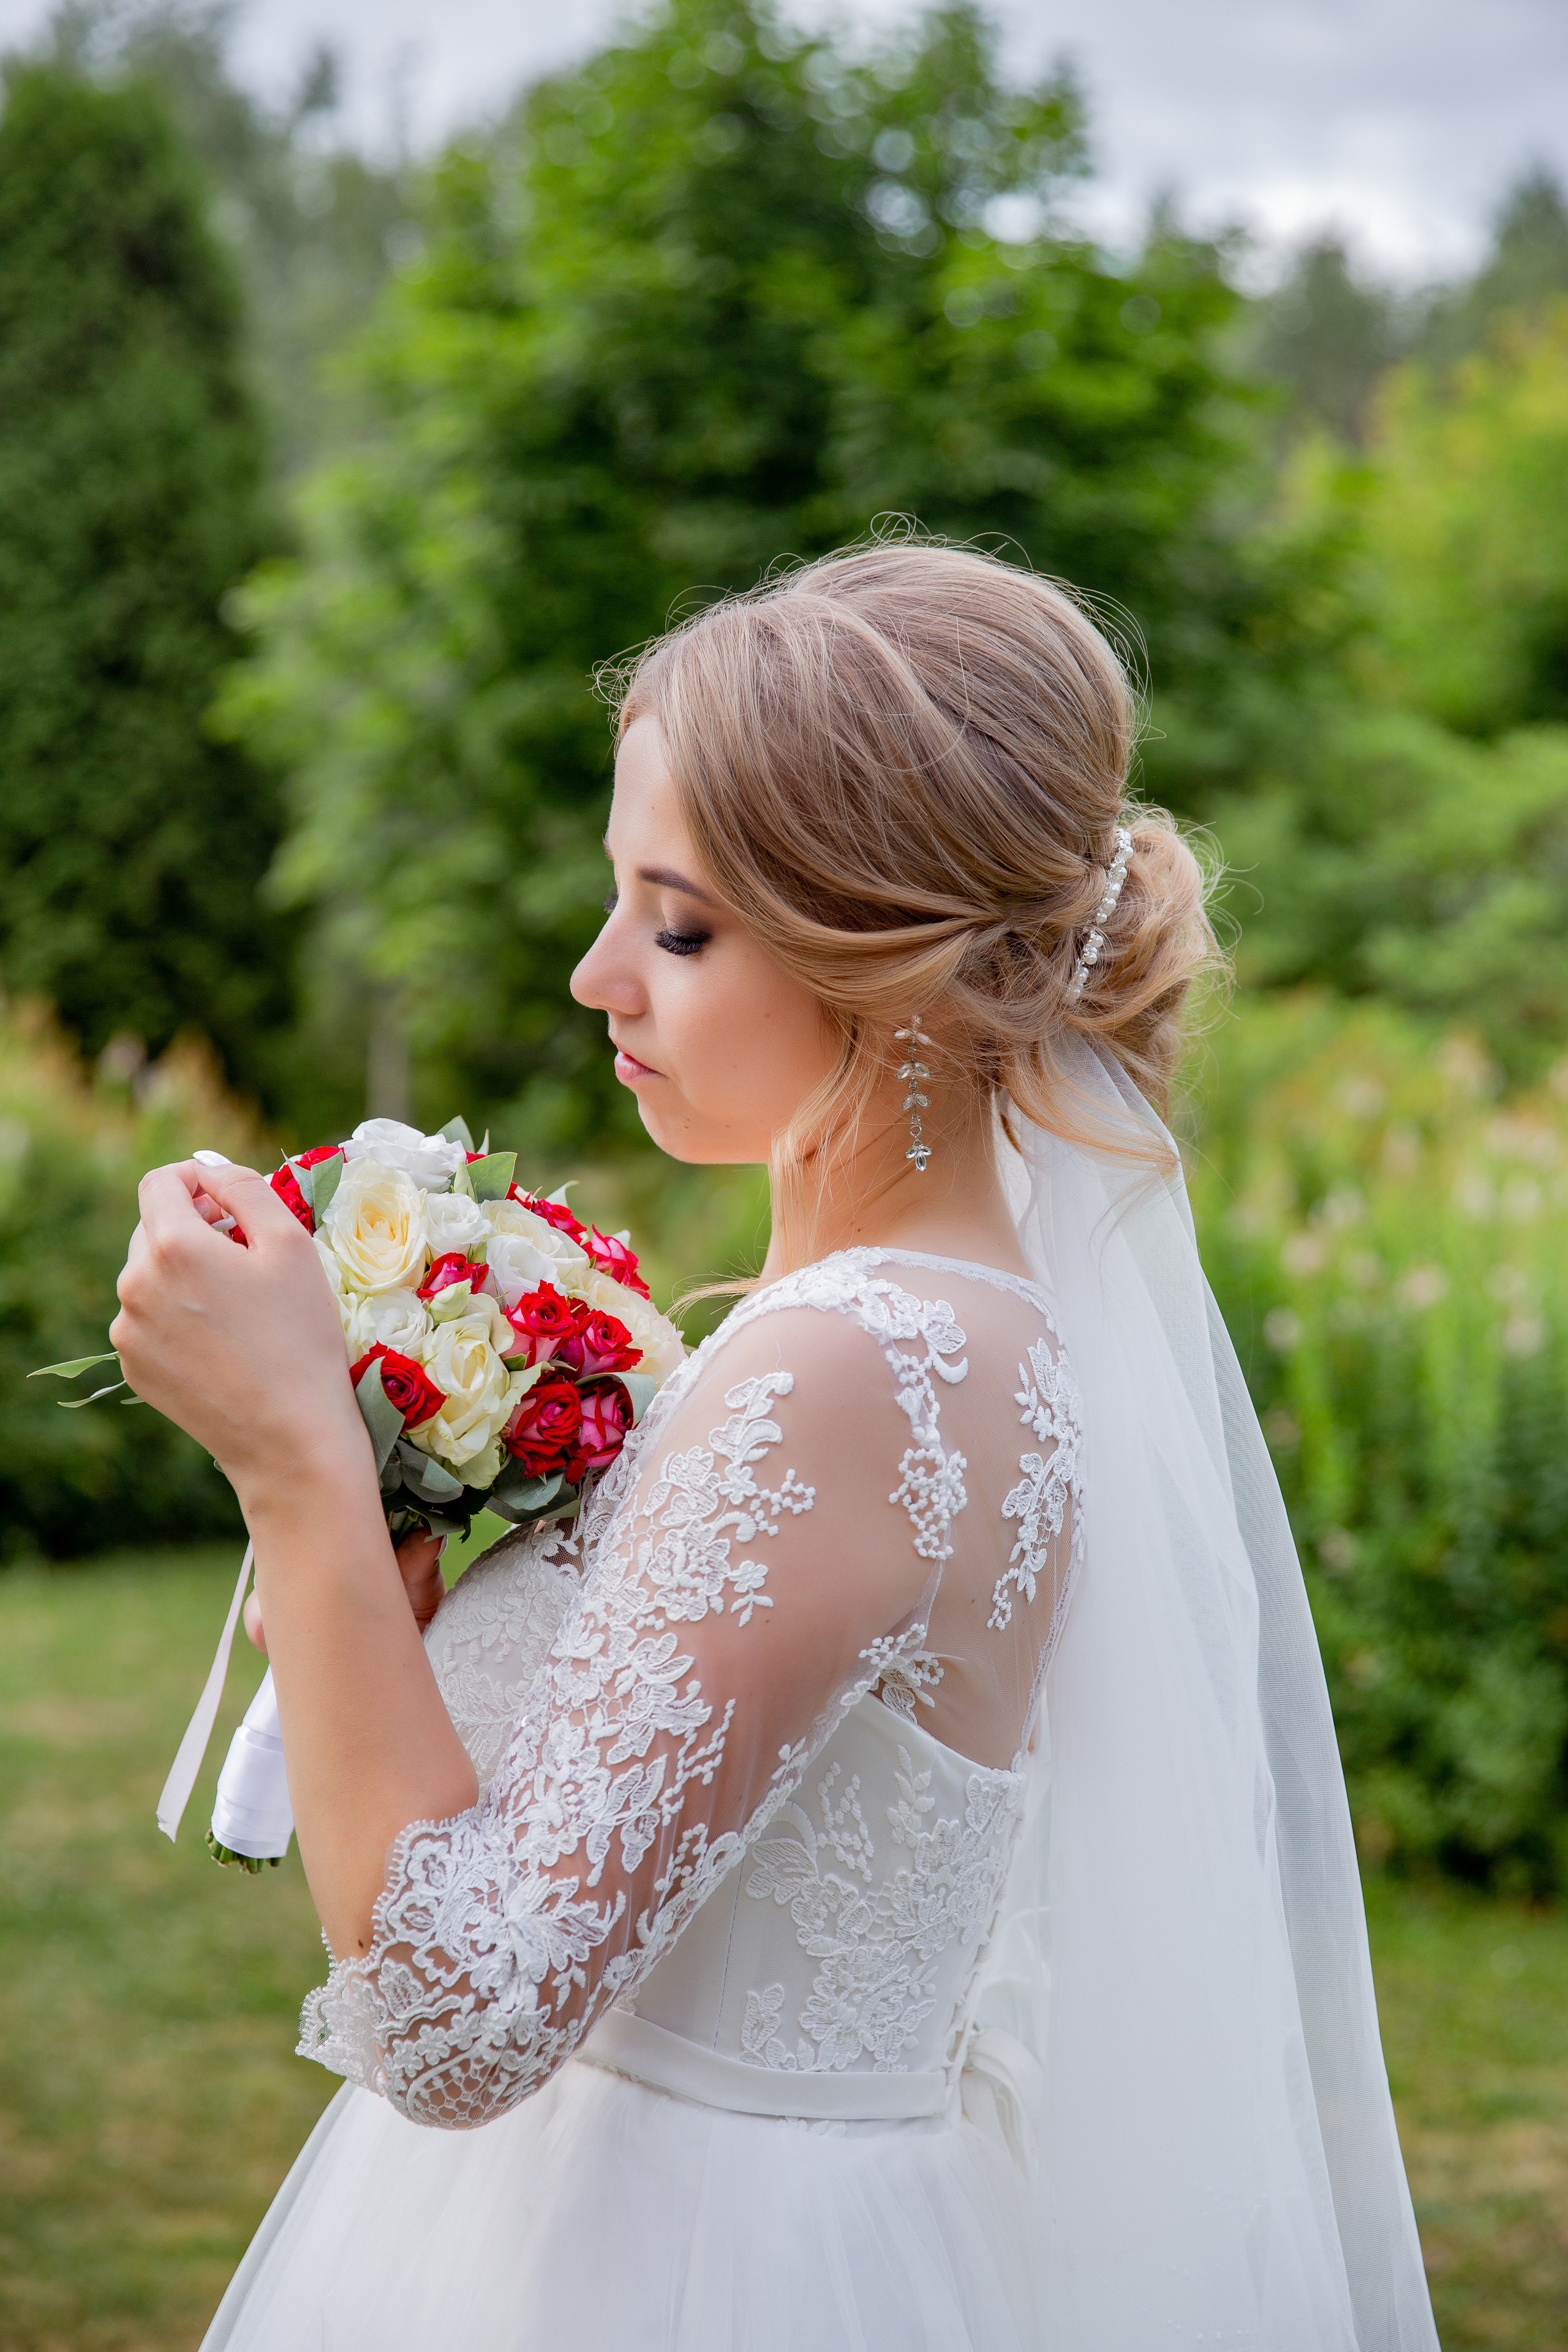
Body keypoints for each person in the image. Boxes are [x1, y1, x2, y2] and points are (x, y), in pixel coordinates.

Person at [113, 542, 1439, 2351]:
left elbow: (458, 2018)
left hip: (676, 2266)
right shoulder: (938, 1329)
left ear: (893, 956)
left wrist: (296, 1466)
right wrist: (397, 1596)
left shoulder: (860, 1363)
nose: (599, 980)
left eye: (678, 925)